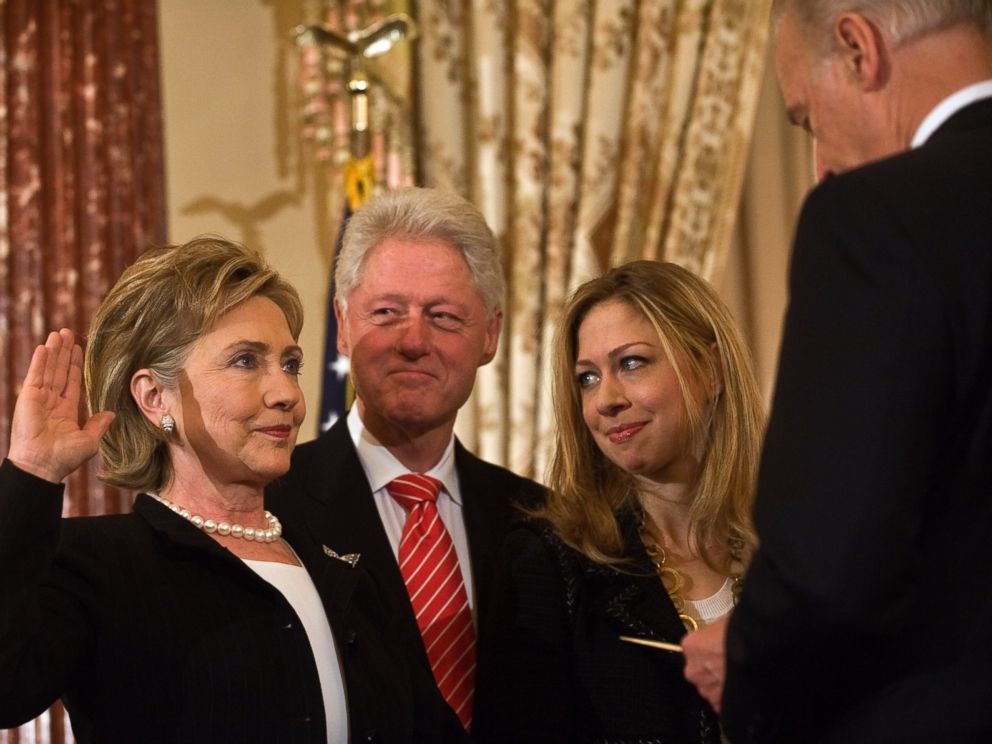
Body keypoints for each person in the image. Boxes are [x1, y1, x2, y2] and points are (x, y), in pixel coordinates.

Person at [0, 237, 466, 743]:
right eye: (246, 361)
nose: (287, 393)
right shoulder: (97, 564)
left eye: (290, 364)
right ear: (155, 396)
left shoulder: (342, 566)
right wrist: (32, 470)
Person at [681, 1, 992, 741]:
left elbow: (830, 571)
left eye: (805, 118)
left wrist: (749, 670)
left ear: (859, 49)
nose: (818, 165)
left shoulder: (874, 216)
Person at [266, 187, 545, 731]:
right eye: (387, 312)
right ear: (343, 325)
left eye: (443, 316)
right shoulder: (269, 507)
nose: (413, 341)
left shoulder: (543, 519)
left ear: (490, 334)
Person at [472, 260, 765, 743]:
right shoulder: (548, 560)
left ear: (711, 370)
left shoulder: (798, 544)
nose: (605, 399)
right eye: (587, 377)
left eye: (631, 363)